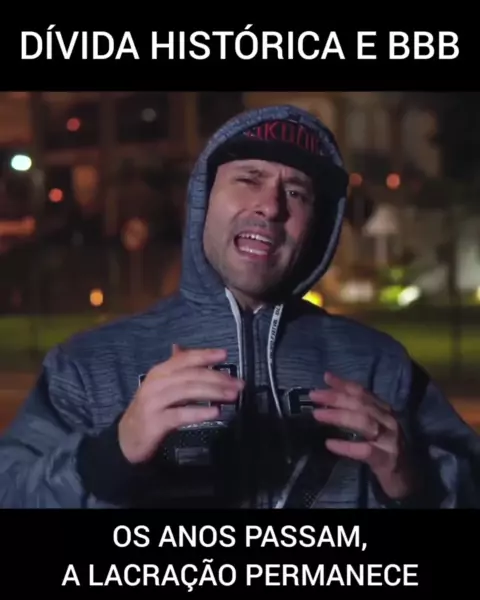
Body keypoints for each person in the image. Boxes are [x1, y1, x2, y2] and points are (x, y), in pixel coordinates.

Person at [0, 104, 479, 508]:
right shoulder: (88, 367)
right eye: (249, 179)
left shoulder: (379, 366)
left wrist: (417, 482)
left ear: (318, 225)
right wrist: (109, 456)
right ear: (203, 199)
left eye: (296, 192)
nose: (271, 206)